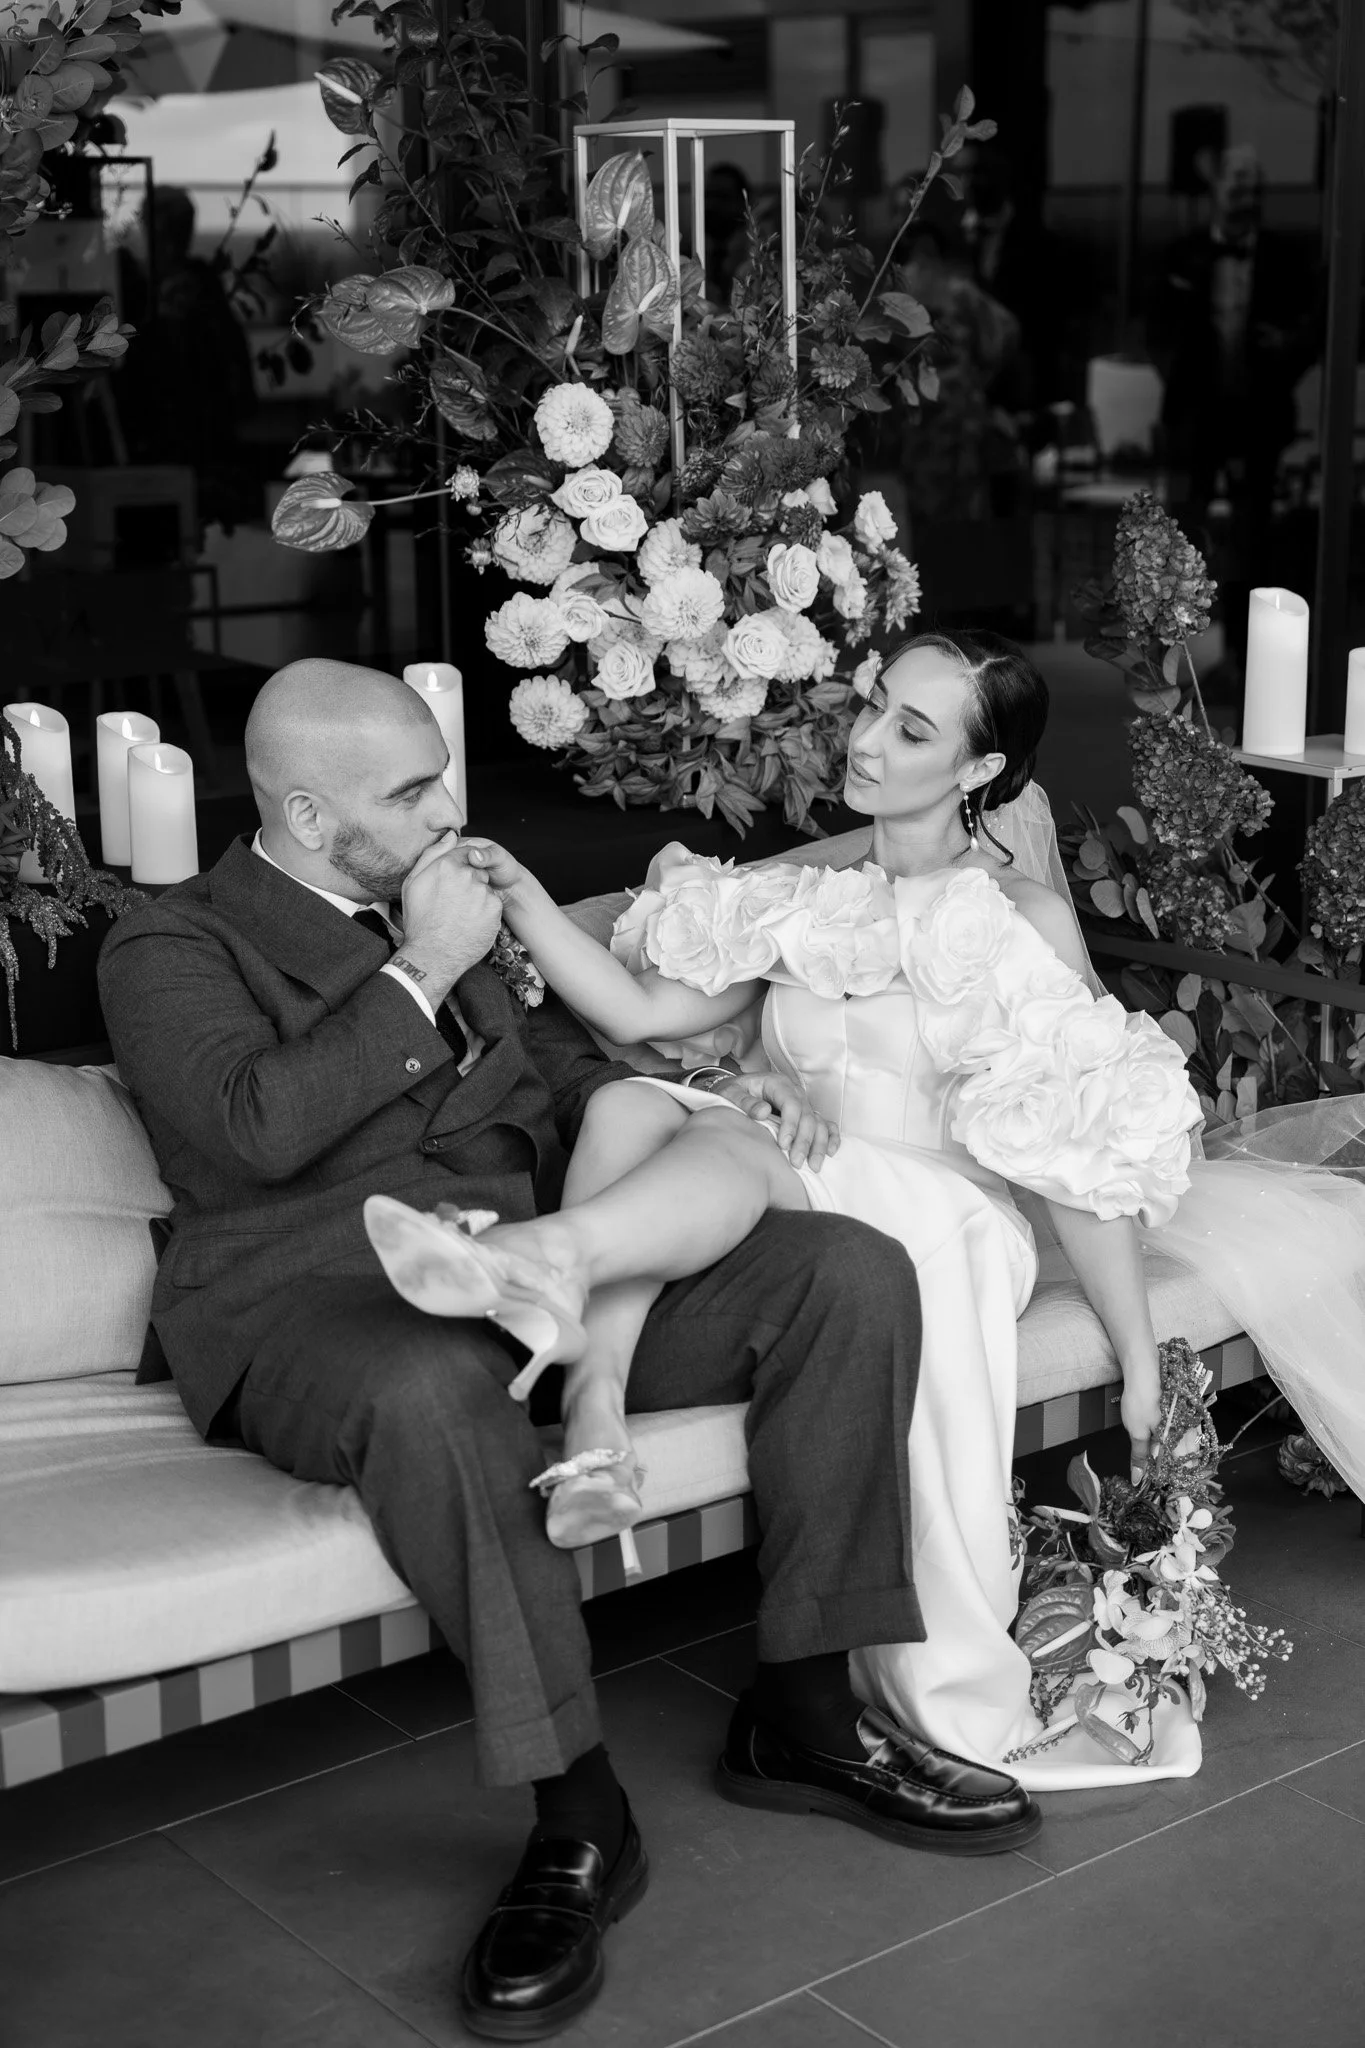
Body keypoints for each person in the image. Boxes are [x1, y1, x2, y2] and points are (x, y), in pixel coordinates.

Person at [97, 657, 1039, 2045]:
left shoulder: (463, 905)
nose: (449, 809)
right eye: (412, 791)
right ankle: (577, 1807)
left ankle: (803, 1709)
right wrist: (421, 965)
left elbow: (566, 1080)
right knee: (432, 1388)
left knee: (844, 1269)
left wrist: (723, 1092)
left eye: (444, 776)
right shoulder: (172, 945)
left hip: (535, 1265)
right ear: (306, 813)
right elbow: (251, 1128)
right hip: (321, 1301)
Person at [372, 629, 1365, 1793]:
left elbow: (1082, 1151)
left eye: (911, 728)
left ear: (980, 771)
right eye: (874, 704)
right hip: (800, 1192)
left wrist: (1141, 1364)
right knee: (635, 1105)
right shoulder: (813, 897)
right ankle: (593, 1421)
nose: (866, 739)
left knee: (723, 1125)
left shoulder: (1017, 918)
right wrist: (526, 895)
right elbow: (639, 1011)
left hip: (945, 1214)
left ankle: (541, 1264)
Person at [1152, 145, 1322, 670]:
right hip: (1195, 416)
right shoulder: (1182, 254)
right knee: (1183, 538)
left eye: (1253, 186)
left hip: (1259, 415)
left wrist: (1284, 352)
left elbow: (1312, 332)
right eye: (1236, 185)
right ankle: (1168, 661)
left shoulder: (1286, 256)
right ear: (1216, 191)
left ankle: (1241, 658)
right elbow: (1157, 327)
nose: (1244, 196)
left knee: (1253, 539)